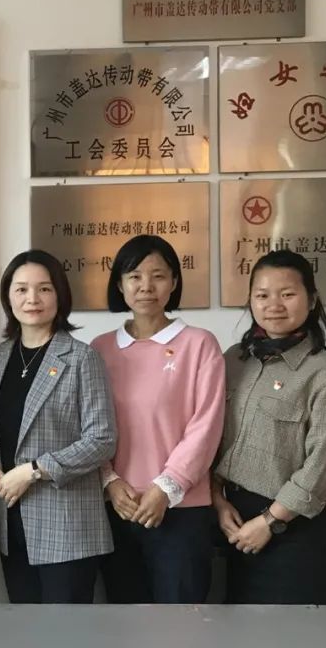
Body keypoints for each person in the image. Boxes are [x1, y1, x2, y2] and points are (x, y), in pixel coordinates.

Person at [212, 249, 326, 605]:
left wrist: (269, 521)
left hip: (302, 530)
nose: (273, 305)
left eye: (287, 294)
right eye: (262, 295)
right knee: (238, 630)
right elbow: (211, 436)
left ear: (312, 300)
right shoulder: (233, 360)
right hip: (234, 521)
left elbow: (324, 464)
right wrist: (217, 500)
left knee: (298, 631)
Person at [90, 235, 225, 604]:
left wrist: (166, 488)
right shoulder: (99, 349)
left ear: (174, 282)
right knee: (124, 620)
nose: (146, 286)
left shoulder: (199, 344)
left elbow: (206, 425)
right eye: (134, 276)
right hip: (118, 507)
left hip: (181, 510)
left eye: (158, 275)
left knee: (179, 623)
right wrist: (109, 481)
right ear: (120, 284)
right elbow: (89, 426)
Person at [0, 249, 116, 604]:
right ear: (8, 297)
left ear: (60, 295)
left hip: (67, 528)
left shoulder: (82, 357)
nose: (32, 299)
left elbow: (102, 439)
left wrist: (34, 470)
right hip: (12, 523)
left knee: (65, 630)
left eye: (44, 289)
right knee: (24, 627)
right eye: (21, 289)